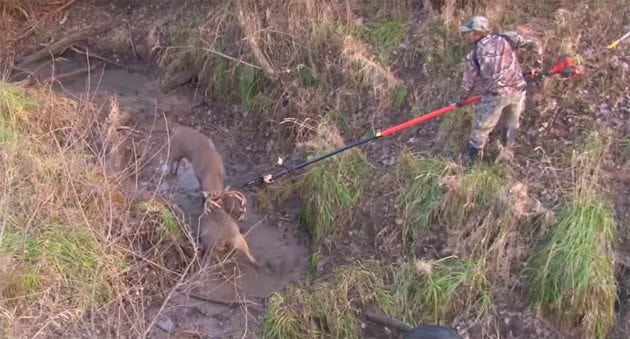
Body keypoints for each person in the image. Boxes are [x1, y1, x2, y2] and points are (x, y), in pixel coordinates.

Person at [455, 15, 543, 163]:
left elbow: (468, 83)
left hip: (495, 96)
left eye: (469, 32)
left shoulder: (474, 54)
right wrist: (538, 64)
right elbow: (533, 44)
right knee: (511, 124)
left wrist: (460, 101)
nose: (468, 35)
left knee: (480, 129)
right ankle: (505, 155)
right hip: (518, 91)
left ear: (476, 33)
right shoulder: (507, 38)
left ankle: (471, 164)